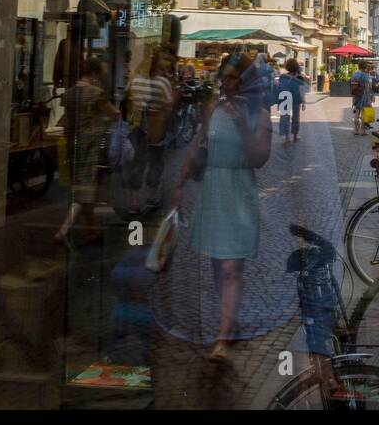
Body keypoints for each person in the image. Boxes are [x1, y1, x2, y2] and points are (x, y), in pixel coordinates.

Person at [173, 52, 271, 362]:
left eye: (234, 78)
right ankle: (231, 318)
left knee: (232, 267)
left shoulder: (261, 114)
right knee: (219, 265)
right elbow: (197, 145)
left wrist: (242, 122)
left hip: (240, 192)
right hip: (214, 189)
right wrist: (179, 183)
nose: (228, 83)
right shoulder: (211, 108)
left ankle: (223, 336)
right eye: (225, 77)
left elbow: (258, 158)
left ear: (246, 82)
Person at [56, 56, 122, 246]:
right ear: (94, 74)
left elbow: (66, 121)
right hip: (91, 147)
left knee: (83, 188)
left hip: (72, 146)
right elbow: (115, 114)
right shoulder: (95, 93)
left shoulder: (68, 94)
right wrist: (104, 121)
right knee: (84, 190)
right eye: (99, 75)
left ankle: (92, 230)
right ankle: (63, 230)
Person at [126, 51, 176, 213]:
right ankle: (151, 196)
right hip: (157, 127)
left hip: (137, 126)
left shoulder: (136, 80)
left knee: (138, 162)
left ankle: (133, 201)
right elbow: (169, 105)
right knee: (156, 162)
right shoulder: (162, 83)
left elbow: (129, 96)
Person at [276, 58, 308, 143]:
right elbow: (302, 90)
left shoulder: (283, 77)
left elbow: (279, 89)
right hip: (296, 99)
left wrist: (278, 102)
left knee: (284, 117)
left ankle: (286, 137)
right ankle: (295, 135)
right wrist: (304, 102)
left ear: (287, 66)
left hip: (284, 98)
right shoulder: (299, 77)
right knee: (295, 117)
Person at [350, 62, 373, 135]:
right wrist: (370, 97)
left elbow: (352, 84)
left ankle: (356, 130)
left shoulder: (355, 74)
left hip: (356, 94)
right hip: (363, 95)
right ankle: (362, 131)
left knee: (357, 113)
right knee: (363, 113)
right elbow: (367, 88)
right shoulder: (365, 75)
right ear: (365, 67)